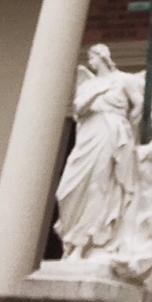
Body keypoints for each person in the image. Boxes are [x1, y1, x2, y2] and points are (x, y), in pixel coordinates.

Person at [55, 44, 143, 259]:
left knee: (99, 185)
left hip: (111, 132)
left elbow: (140, 105)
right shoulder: (89, 84)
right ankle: (70, 237)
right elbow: (78, 108)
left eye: (92, 57)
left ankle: (82, 243)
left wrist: (129, 129)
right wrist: (97, 93)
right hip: (89, 133)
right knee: (67, 188)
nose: (90, 62)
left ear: (102, 57)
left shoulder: (124, 80)